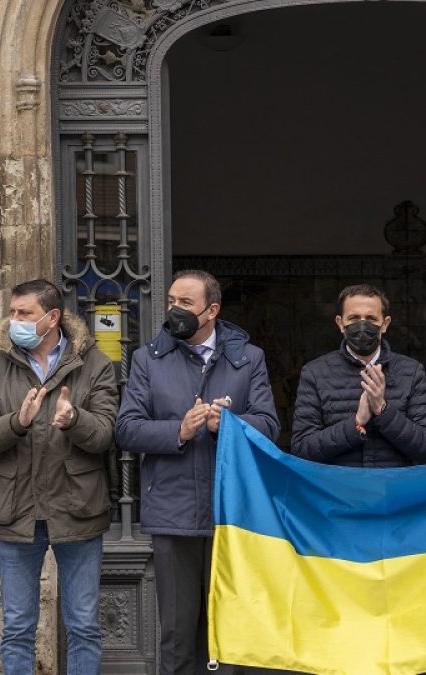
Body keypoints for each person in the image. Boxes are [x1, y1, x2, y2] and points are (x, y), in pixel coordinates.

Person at [115, 269, 278, 674]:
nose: (175, 309)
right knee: (176, 631)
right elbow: (126, 428)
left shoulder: (248, 359)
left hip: (231, 515)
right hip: (173, 513)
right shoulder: (147, 360)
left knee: (227, 630)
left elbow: (270, 426)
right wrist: (180, 430)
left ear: (212, 311)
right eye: (171, 301)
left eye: (185, 303)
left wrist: (231, 424)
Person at [0, 279, 118, 675]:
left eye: (24, 314)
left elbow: (105, 435)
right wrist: (17, 421)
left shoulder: (95, 364)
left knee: (83, 625)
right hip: (16, 510)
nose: (14, 321)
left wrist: (74, 419)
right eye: (12, 313)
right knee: (17, 626)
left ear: (51, 318)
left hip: (77, 507)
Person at [290, 283, 426, 467]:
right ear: (340, 323)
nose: (362, 325)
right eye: (353, 318)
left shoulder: (412, 372)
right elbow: (302, 449)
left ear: (385, 324)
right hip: (338, 490)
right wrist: (356, 423)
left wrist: (383, 410)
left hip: (393, 491)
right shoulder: (314, 373)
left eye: (370, 318)